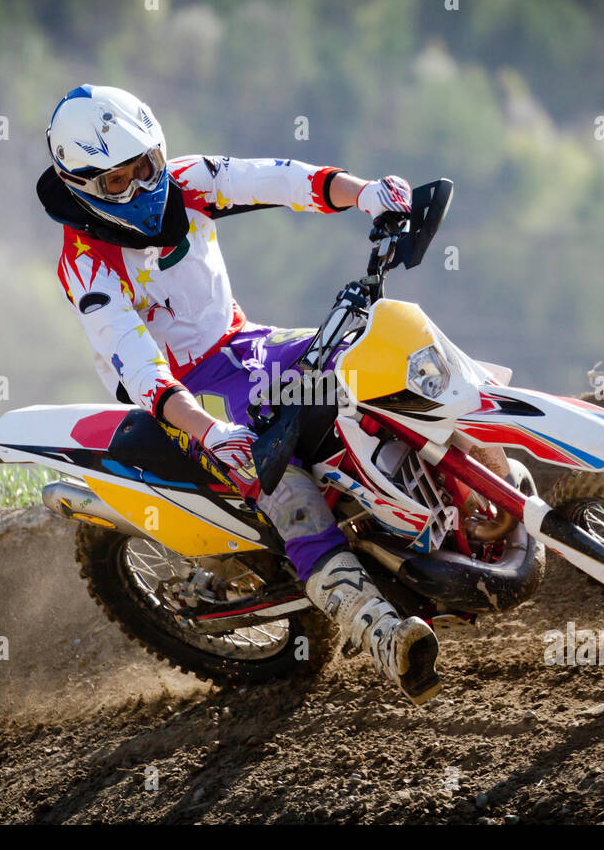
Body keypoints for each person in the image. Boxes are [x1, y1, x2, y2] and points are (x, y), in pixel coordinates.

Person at [40, 83, 440, 705]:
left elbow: (277, 179)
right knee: (275, 471)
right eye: (115, 183)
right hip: (180, 398)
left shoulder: (188, 181)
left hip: (247, 344)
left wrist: (364, 193)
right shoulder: (87, 262)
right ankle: (379, 629)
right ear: (83, 188)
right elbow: (136, 363)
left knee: (366, 357)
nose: (140, 189)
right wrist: (206, 430)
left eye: (143, 167)